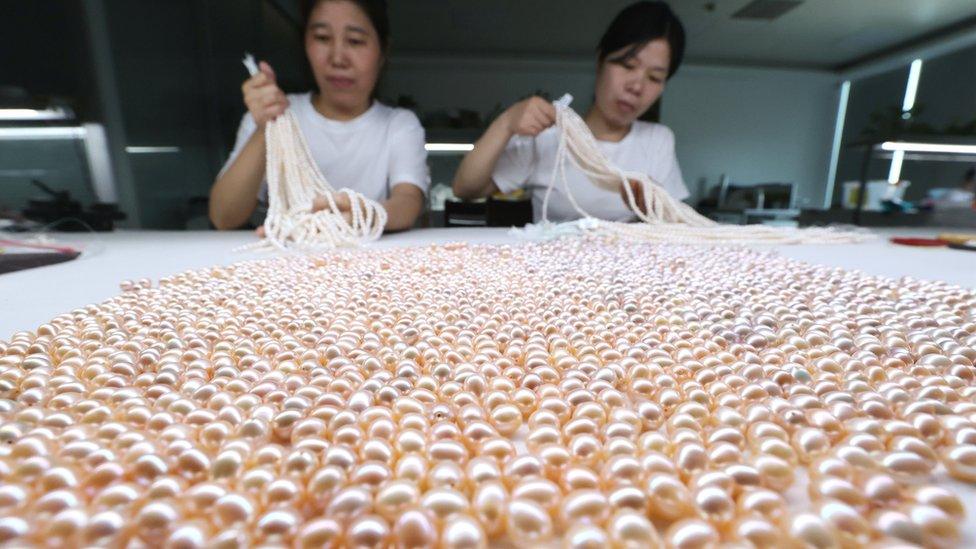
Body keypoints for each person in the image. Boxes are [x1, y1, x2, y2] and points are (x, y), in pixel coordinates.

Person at [452, 1, 689, 223]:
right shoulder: (547, 136)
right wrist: (506, 123)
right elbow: (466, 189)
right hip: (551, 265)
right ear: (600, 61)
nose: (636, 87)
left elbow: (678, 225)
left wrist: (654, 207)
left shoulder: (658, 140)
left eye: (654, 77)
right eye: (627, 65)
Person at [209, 0, 428, 232]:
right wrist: (266, 126)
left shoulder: (399, 125)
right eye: (322, 38)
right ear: (306, 44)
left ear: (383, 51)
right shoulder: (272, 115)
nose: (337, 58)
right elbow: (224, 217)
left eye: (355, 41)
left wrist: (365, 214)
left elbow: (408, 202)